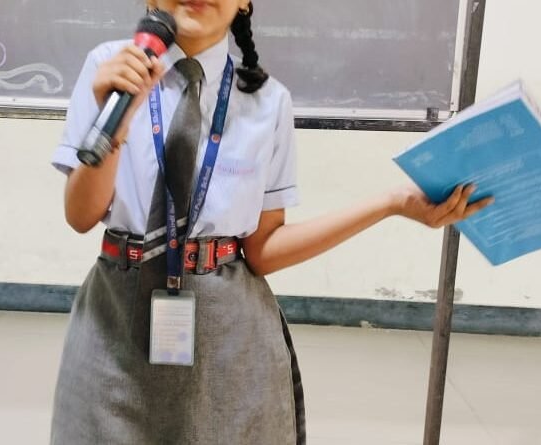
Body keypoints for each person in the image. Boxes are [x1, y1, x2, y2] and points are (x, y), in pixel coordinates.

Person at [49, 1, 494, 443]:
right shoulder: (110, 69)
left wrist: (390, 203)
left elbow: (263, 250)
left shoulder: (267, 100)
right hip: (115, 319)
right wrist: (114, 126)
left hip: (229, 336)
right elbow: (80, 215)